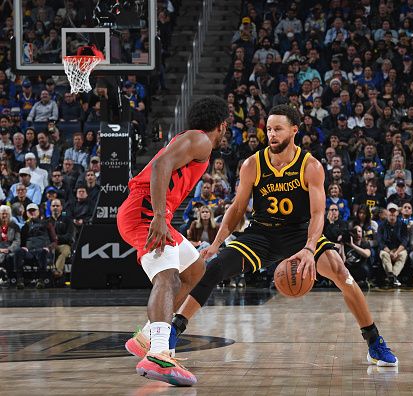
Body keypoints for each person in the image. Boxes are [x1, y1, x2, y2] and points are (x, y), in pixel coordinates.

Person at [125, 105, 397, 369]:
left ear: (294, 130)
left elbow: (317, 214)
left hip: (299, 235)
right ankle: (173, 330)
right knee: (212, 268)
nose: (272, 134)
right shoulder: (253, 164)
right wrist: (217, 243)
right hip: (261, 235)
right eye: (268, 129)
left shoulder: (310, 166)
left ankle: (374, 340)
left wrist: (309, 248)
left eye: (278, 129)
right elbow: (237, 208)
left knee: (341, 271)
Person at [116, 97, 228, 386]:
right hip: (144, 212)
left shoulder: (194, 141)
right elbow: (160, 165)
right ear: (222, 126)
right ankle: (158, 354)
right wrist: (159, 217)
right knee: (168, 278)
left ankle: (145, 338)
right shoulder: (201, 140)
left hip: (150, 211)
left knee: (194, 270)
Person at [377, 202, 408, 288]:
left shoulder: (403, 225)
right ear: (387, 212)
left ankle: (392, 277)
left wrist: (397, 252)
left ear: (397, 213)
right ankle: (393, 278)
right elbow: (380, 242)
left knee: (404, 254)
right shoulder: (381, 226)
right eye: (390, 211)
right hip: (387, 250)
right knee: (383, 254)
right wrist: (389, 252)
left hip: (398, 250)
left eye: (394, 211)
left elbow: (405, 241)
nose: (392, 213)